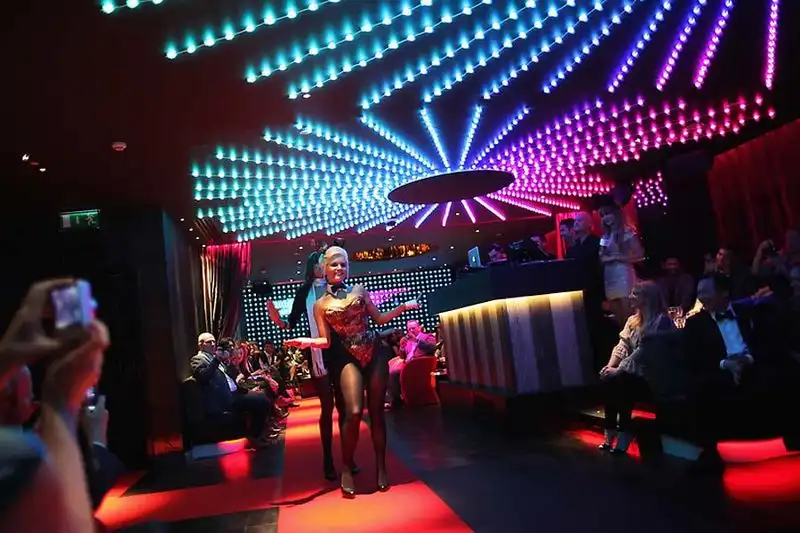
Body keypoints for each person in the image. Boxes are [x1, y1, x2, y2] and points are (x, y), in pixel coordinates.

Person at [285, 246, 419, 497]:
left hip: (374, 352)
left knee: (377, 413)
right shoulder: (320, 304)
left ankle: (381, 467)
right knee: (354, 411)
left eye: (343, 264)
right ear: (324, 268)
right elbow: (325, 341)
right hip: (347, 357)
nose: (339, 268)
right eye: (334, 264)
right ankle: (346, 466)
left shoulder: (359, 290)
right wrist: (306, 342)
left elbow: (379, 320)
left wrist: (402, 308)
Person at [0, 279, 110, 533]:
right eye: (28, 398)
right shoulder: (19, 458)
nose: (32, 406)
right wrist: (62, 403)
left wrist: (5, 360)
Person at [267, 250, 348, 481]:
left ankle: (348, 458)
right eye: (321, 263)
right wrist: (277, 320)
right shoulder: (305, 291)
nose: (325, 267)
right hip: (317, 354)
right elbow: (291, 323)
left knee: (344, 407)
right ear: (312, 267)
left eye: (328, 263)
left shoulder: (341, 287)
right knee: (327, 406)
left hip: (341, 352)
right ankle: (328, 460)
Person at [599, 281, 674, 453]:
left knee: (623, 381)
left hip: (653, 377)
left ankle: (624, 432)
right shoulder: (632, 320)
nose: (630, 297)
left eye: (635, 294)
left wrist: (619, 370)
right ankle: (610, 431)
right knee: (610, 380)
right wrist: (610, 367)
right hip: (633, 374)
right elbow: (622, 346)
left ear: (647, 298)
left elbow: (643, 351)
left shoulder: (661, 321)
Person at [190, 333, 276, 448]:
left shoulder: (215, 357)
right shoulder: (198, 359)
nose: (213, 344)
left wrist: (227, 361)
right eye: (209, 342)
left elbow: (233, 374)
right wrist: (217, 360)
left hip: (234, 392)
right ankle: (255, 437)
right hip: (224, 398)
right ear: (200, 345)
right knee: (262, 401)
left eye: (214, 341)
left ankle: (258, 435)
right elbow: (203, 377)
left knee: (262, 396)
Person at [597, 196, 644, 326]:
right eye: (602, 215)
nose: (605, 218)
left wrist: (618, 258)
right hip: (609, 276)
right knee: (618, 316)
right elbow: (601, 257)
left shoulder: (627, 232)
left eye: (608, 214)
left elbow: (640, 254)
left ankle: (636, 336)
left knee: (629, 313)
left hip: (623, 273)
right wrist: (608, 258)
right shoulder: (604, 237)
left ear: (616, 214)